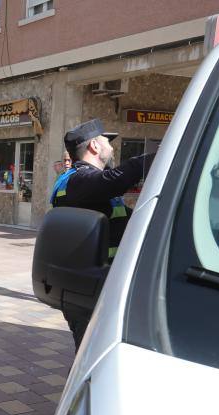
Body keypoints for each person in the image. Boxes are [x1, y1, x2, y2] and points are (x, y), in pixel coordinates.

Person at [51, 118, 155, 348]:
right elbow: (115, 180)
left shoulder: (84, 184)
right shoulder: (80, 180)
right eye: (107, 141)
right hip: (90, 288)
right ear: (94, 146)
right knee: (91, 354)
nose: (111, 146)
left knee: (94, 352)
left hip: (94, 283)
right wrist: (162, 155)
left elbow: (120, 214)